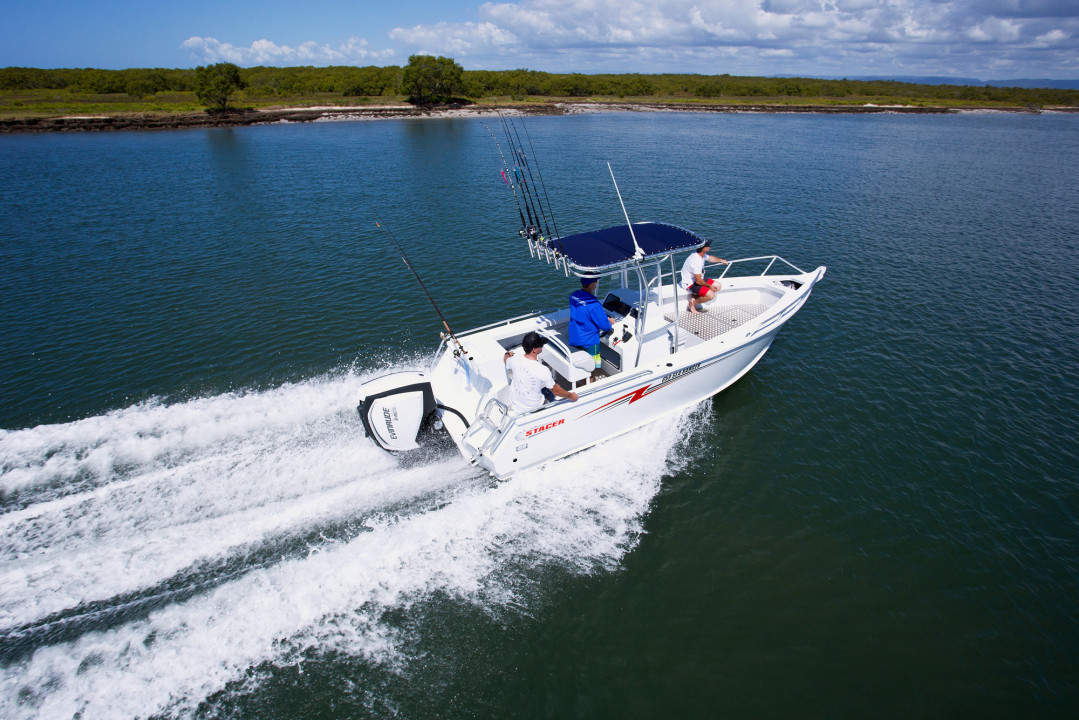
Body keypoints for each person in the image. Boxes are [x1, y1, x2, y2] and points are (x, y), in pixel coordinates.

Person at [503, 331, 579, 413]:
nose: (542, 346)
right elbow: (556, 391)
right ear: (534, 350)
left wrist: (508, 353)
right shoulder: (542, 370)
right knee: (553, 387)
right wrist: (571, 395)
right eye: (541, 345)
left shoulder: (514, 360)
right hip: (533, 408)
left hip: (516, 405)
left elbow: (505, 359)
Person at [568, 276, 613, 369]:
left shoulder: (573, 296)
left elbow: (582, 313)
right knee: (591, 367)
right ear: (592, 284)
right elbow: (604, 326)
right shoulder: (594, 305)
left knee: (580, 363)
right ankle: (590, 382)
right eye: (596, 282)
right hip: (589, 341)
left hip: (575, 336)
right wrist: (610, 322)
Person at [680, 242, 729, 314]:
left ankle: (694, 296)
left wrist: (721, 260)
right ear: (704, 248)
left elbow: (711, 258)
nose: (709, 246)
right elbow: (698, 281)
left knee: (718, 286)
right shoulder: (696, 261)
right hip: (690, 283)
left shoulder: (701, 255)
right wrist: (709, 286)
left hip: (698, 279)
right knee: (711, 295)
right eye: (708, 245)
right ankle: (692, 303)